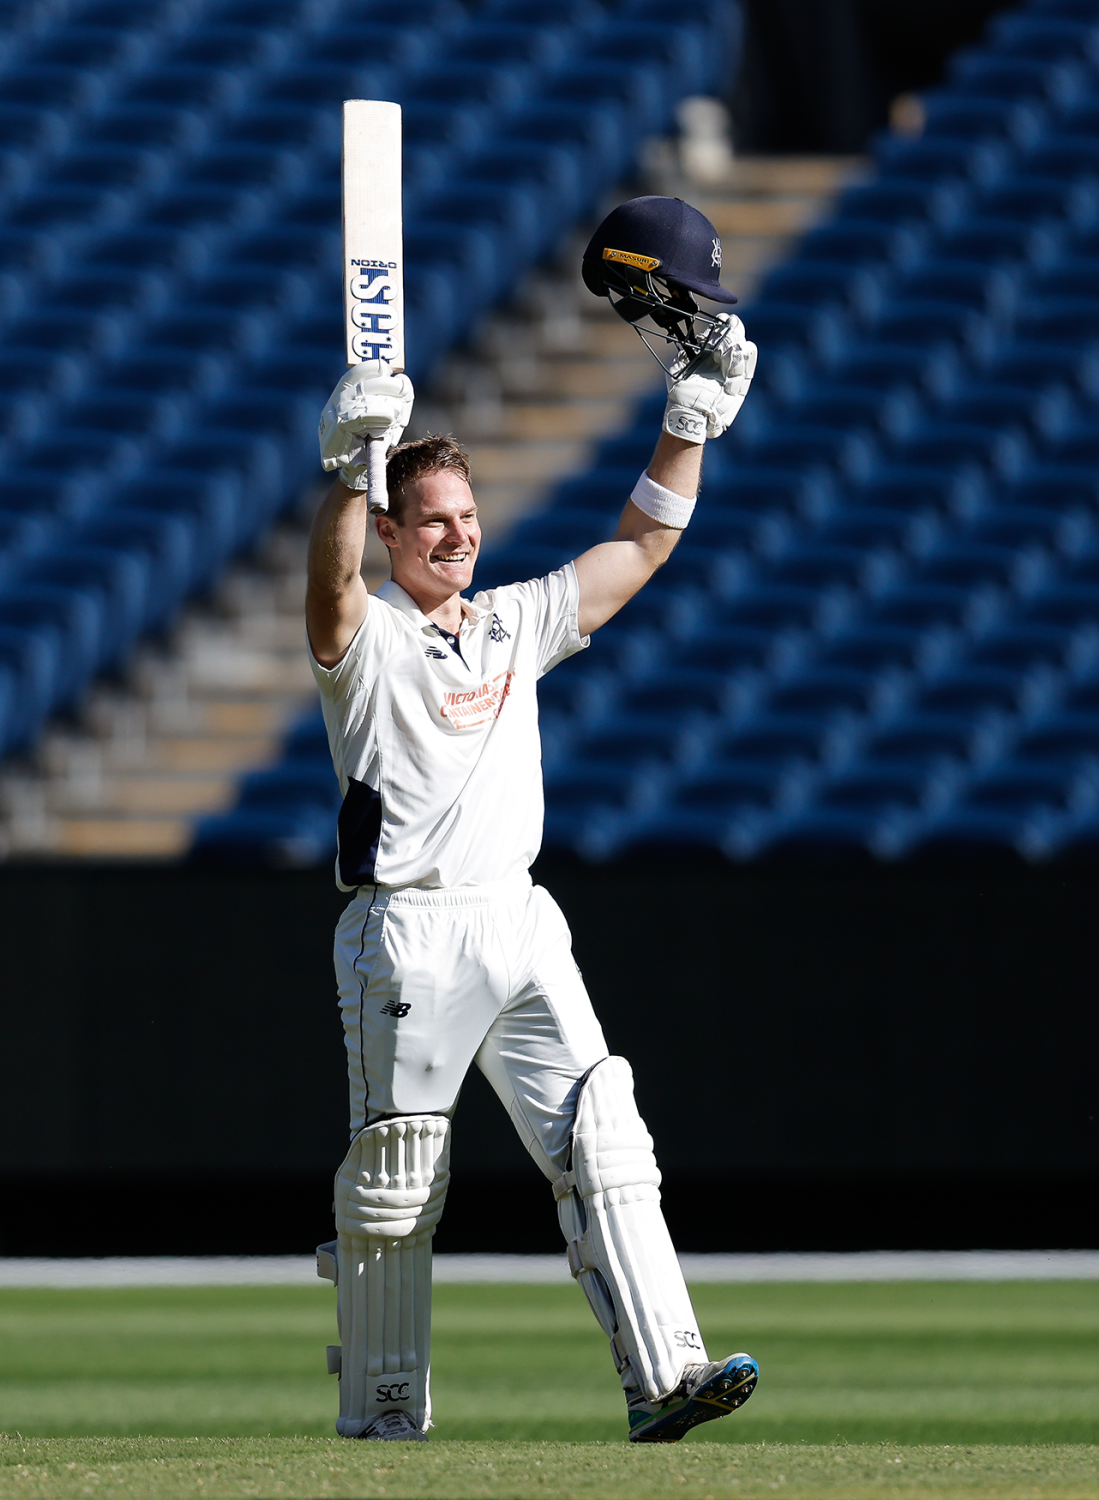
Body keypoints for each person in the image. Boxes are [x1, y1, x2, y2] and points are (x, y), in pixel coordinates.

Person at [307, 197, 759, 1443]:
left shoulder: (509, 621)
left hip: (519, 918)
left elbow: (638, 553)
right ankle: (384, 1418)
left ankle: (667, 1378)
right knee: (399, 1183)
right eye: (432, 520)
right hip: (405, 935)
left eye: (466, 514)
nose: (458, 534)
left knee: (604, 1132)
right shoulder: (370, 640)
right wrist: (347, 465)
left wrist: (689, 421)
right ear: (396, 534)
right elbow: (329, 595)